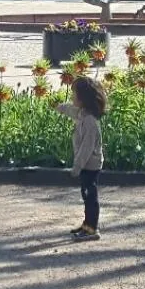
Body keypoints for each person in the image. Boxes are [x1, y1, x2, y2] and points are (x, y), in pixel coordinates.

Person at [56, 76, 106, 240]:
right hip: (87, 164)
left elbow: (86, 148)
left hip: (90, 165)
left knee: (90, 196)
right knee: (86, 195)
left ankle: (92, 229)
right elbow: (72, 110)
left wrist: (77, 167)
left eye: (74, 94)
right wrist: (60, 107)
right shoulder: (83, 114)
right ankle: (87, 225)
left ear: (83, 98)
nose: (72, 97)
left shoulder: (90, 122)